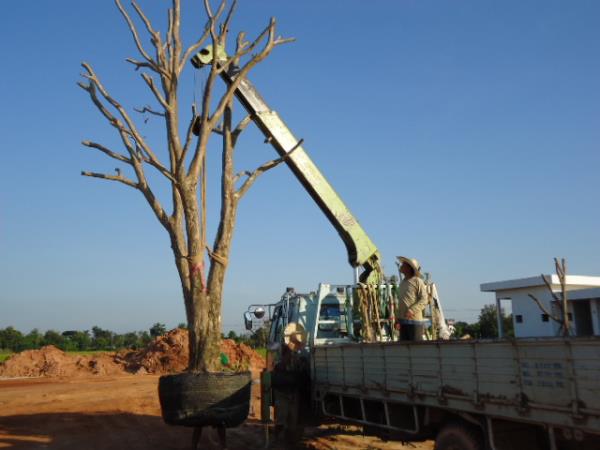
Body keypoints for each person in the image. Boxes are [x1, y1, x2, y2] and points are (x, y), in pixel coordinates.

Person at [396, 256, 429, 341]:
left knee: (416, 348)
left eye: (404, 264)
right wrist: (398, 319)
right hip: (403, 322)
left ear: (409, 268)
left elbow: (424, 299)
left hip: (415, 322)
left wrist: (412, 310)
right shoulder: (403, 282)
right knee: (404, 349)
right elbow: (402, 302)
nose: (401, 266)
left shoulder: (418, 281)